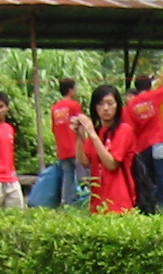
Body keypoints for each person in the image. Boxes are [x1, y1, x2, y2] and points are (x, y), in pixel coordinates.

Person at [74, 84, 136, 214]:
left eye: (110, 103)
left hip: (119, 201)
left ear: (118, 105)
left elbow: (111, 164)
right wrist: (79, 136)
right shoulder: (98, 132)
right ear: (95, 107)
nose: (105, 108)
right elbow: (84, 161)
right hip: (97, 200)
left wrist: (92, 134)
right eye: (100, 104)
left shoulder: (124, 130)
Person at [126, 68, 163, 214]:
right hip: (158, 142)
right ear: (149, 86)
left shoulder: (131, 106)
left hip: (142, 146)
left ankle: (149, 204)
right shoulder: (154, 96)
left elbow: (130, 129)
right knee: (162, 173)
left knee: (146, 176)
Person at [49, 78, 84, 210]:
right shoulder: (74, 105)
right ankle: (88, 202)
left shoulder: (55, 108)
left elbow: (54, 129)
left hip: (62, 149)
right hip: (76, 148)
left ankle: (67, 205)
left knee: (67, 178)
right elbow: (81, 125)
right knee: (84, 177)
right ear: (71, 90)